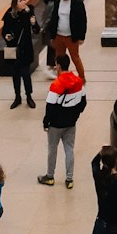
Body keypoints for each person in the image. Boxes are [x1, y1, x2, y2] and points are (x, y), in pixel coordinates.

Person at [38, 53, 87, 189]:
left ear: (58, 65)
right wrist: (75, 115)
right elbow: (83, 103)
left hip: (55, 125)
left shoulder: (56, 85)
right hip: (71, 123)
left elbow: (50, 107)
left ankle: (50, 177)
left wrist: (46, 122)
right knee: (69, 150)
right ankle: (69, 179)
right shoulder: (78, 81)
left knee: (52, 150)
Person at [1, 0, 38, 109]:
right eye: (21, 1)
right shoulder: (9, 15)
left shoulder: (28, 13)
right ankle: (17, 97)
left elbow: (36, 30)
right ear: (15, 4)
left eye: (24, 0)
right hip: (13, 48)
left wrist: (33, 23)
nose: (24, 2)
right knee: (15, 75)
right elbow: (5, 30)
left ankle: (29, 96)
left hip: (25, 48)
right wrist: (7, 36)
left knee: (26, 75)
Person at [46, 0, 87, 83]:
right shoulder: (56, 2)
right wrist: (52, 35)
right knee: (60, 58)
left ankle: (82, 77)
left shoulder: (77, 2)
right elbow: (53, 18)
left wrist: (81, 37)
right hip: (59, 36)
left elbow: (82, 20)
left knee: (75, 58)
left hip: (71, 36)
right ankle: (61, 78)